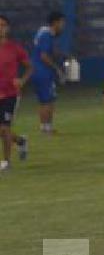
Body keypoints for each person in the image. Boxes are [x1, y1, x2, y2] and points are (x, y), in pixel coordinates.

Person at [0, 15, 32, 171]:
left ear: (8, 28)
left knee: (4, 128)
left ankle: (6, 162)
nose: (1, 28)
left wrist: (22, 80)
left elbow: (29, 67)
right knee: (2, 130)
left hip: (10, 94)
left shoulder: (14, 48)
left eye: (3, 25)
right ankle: (20, 141)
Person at [31, 11, 66, 134]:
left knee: (44, 100)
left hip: (37, 70)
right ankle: (47, 128)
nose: (63, 25)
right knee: (48, 99)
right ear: (55, 22)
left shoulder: (43, 33)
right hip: (43, 72)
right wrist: (56, 68)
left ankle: (45, 127)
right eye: (61, 22)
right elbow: (44, 56)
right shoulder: (46, 35)